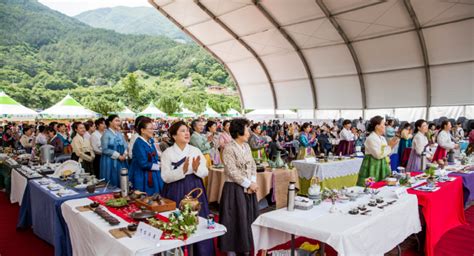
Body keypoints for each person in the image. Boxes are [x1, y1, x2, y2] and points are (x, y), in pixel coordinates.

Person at [161, 121, 212, 256]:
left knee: (197, 219)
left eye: (187, 130)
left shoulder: (195, 150)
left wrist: (196, 169)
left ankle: (201, 252)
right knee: (177, 222)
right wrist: (181, 171)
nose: (187, 133)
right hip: (175, 189)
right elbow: (165, 177)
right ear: (173, 136)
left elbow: (205, 171)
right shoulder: (167, 153)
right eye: (182, 131)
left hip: (195, 187)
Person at [219, 118, 258, 255]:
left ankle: (245, 246)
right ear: (239, 131)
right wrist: (248, 184)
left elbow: (252, 165)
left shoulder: (246, 146)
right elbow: (231, 171)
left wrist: (252, 181)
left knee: (247, 218)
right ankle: (232, 249)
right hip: (234, 189)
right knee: (235, 219)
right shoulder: (229, 148)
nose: (249, 132)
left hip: (248, 188)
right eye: (247, 129)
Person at [357, 116, 398, 185]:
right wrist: (390, 146)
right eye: (383, 124)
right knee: (371, 186)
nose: (385, 126)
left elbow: (386, 153)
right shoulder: (371, 138)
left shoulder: (382, 138)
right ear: (377, 126)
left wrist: (391, 146)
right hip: (373, 165)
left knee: (383, 185)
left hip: (383, 164)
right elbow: (378, 155)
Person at [129, 117, 164, 195]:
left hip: (153, 173)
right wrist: (158, 166)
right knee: (145, 197)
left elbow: (154, 156)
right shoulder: (139, 143)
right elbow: (143, 164)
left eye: (153, 128)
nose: (153, 131)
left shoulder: (150, 141)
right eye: (150, 128)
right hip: (142, 175)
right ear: (143, 130)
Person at [100, 115, 128, 187]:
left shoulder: (119, 133)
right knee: (112, 180)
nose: (118, 122)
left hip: (122, 160)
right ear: (110, 122)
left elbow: (125, 145)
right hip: (110, 161)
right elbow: (104, 149)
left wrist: (124, 154)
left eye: (119, 121)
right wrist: (118, 156)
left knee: (122, 179)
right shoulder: (106, 134)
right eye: (116, 120)